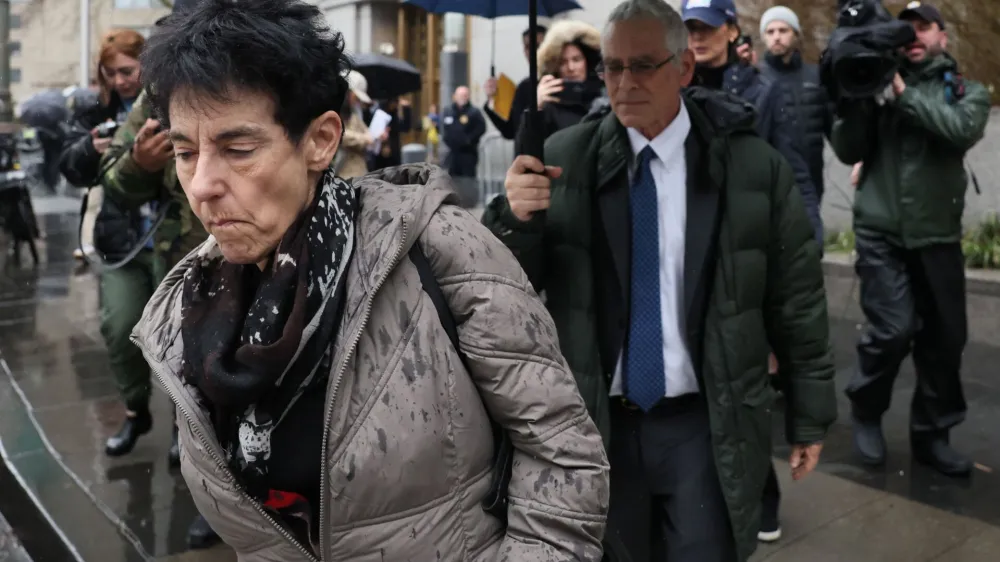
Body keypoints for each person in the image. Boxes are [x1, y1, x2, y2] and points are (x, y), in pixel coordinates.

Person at [131, 1, 610, 560]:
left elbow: (561, 453)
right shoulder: (188, 309)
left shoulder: (439, 248)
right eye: (185, 152)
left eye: (238, 149)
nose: (203, 184)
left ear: (320, 140)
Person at [483, 0, 836, 560]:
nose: (624, 83)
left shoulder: (749, 168)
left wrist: (809, 412)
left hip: (704, 422)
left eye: (643, 65)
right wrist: (514, 219)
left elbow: (794, 296)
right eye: (613, 67)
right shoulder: (561, 160)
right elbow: (501, 294)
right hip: (598, 427)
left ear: (684, 69)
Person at [832, 2, 990, 477]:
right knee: (892, 329)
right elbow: (847, 149)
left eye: (925, 26)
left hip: (937, 235)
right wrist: (859, 98)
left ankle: (932, 435)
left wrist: (901, 95)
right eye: (907, 28)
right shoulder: (875, 80)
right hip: (881, 232)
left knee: (945, 339)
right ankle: (866, 410)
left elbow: (959, 129)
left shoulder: (967, 91)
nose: (914, 34)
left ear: (944, 35)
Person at [98, 0, 219, 549]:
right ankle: (146, 418)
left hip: (232, 257)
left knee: (210, 372)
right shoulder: (152, 103)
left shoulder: (245, 83)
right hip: (166, 255)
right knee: (134, 334)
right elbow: (115, 181)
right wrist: (139, 165)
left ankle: (208, 482)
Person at [60, 29, 161, 461]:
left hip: (172, 238)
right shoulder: (93, 110)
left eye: (128, 70)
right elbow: (69, 168)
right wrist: (91, 147)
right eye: (111, 72)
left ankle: (187, 429)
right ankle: (137, 410)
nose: (120, 81)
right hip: (120, 240)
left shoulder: (170, 98)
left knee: (181, 340)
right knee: (119, 329)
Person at [758, 5, 832, 248]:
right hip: (770, 181)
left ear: (796, 34)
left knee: (808, 247)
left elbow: (834, 128)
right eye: (770, 32)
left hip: (811, 178)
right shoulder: (756, 79)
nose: (776, 36)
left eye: (783, 30)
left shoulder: (815, 77)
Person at [534, 20, 605, 140]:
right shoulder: (549, 106)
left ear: (588, 61)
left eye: (576, 59)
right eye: (562, 62)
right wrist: (535, 109)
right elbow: (525, 152)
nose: (571, 68)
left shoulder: (607, 98)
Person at [483, 25, 547, 140]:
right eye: (527, 47)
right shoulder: (523, 87)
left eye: (537, 46)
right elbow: (510, 131)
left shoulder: (556, 83)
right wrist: (491, 102)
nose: (532, 52)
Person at [334, 70, 374, 179]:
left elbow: (367, 132)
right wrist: (364, 139)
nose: (357, 102)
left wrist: (376, 136)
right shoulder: (334, 110)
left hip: (358, 171)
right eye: (356, 97)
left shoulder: (353, 113)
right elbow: (338, 133)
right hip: (343, 173)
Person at [440, 85, 486, 178]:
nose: (462, 98)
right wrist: (447, 140)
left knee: (467, 180)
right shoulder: (448, 111)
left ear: (468, 96)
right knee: (452, 180)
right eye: (460, 95)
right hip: (452, 153)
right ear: (455, 96)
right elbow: (443, 128)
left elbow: (481, 128)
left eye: (465, 95)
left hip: (468, 153)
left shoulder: (474, 112)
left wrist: (469, 140)